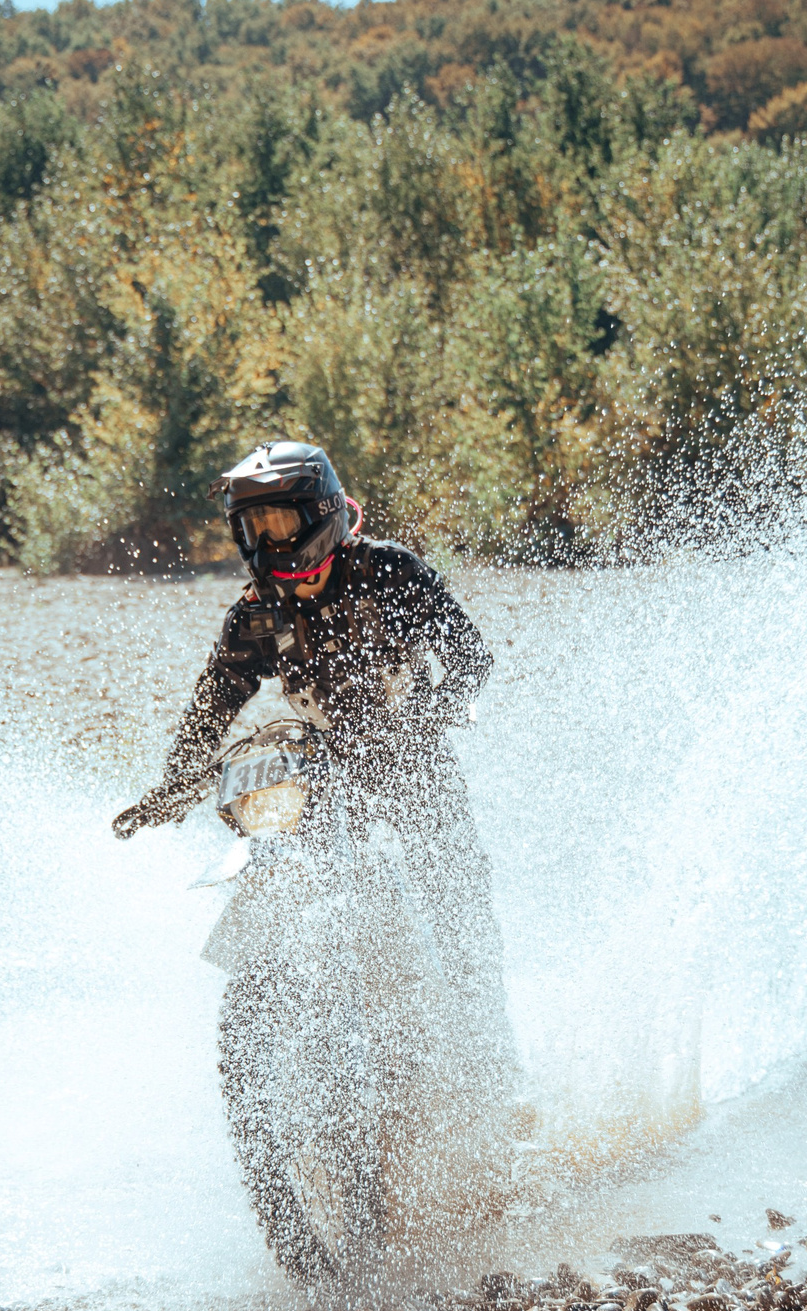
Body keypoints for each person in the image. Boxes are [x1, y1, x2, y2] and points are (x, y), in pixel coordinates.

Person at [114, 440, 518, 1081]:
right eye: (256, 526)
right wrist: (173, 786)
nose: (271, 540)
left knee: (461, 920)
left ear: (324, 511)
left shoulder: (393, 573)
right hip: (322, 770)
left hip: (415, 764)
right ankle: (287, 1015)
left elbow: (471, 657)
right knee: (284, 871)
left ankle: (500, 1075)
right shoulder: (252, 616)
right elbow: (210, 710)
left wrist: (438, 710)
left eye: (282, 521)